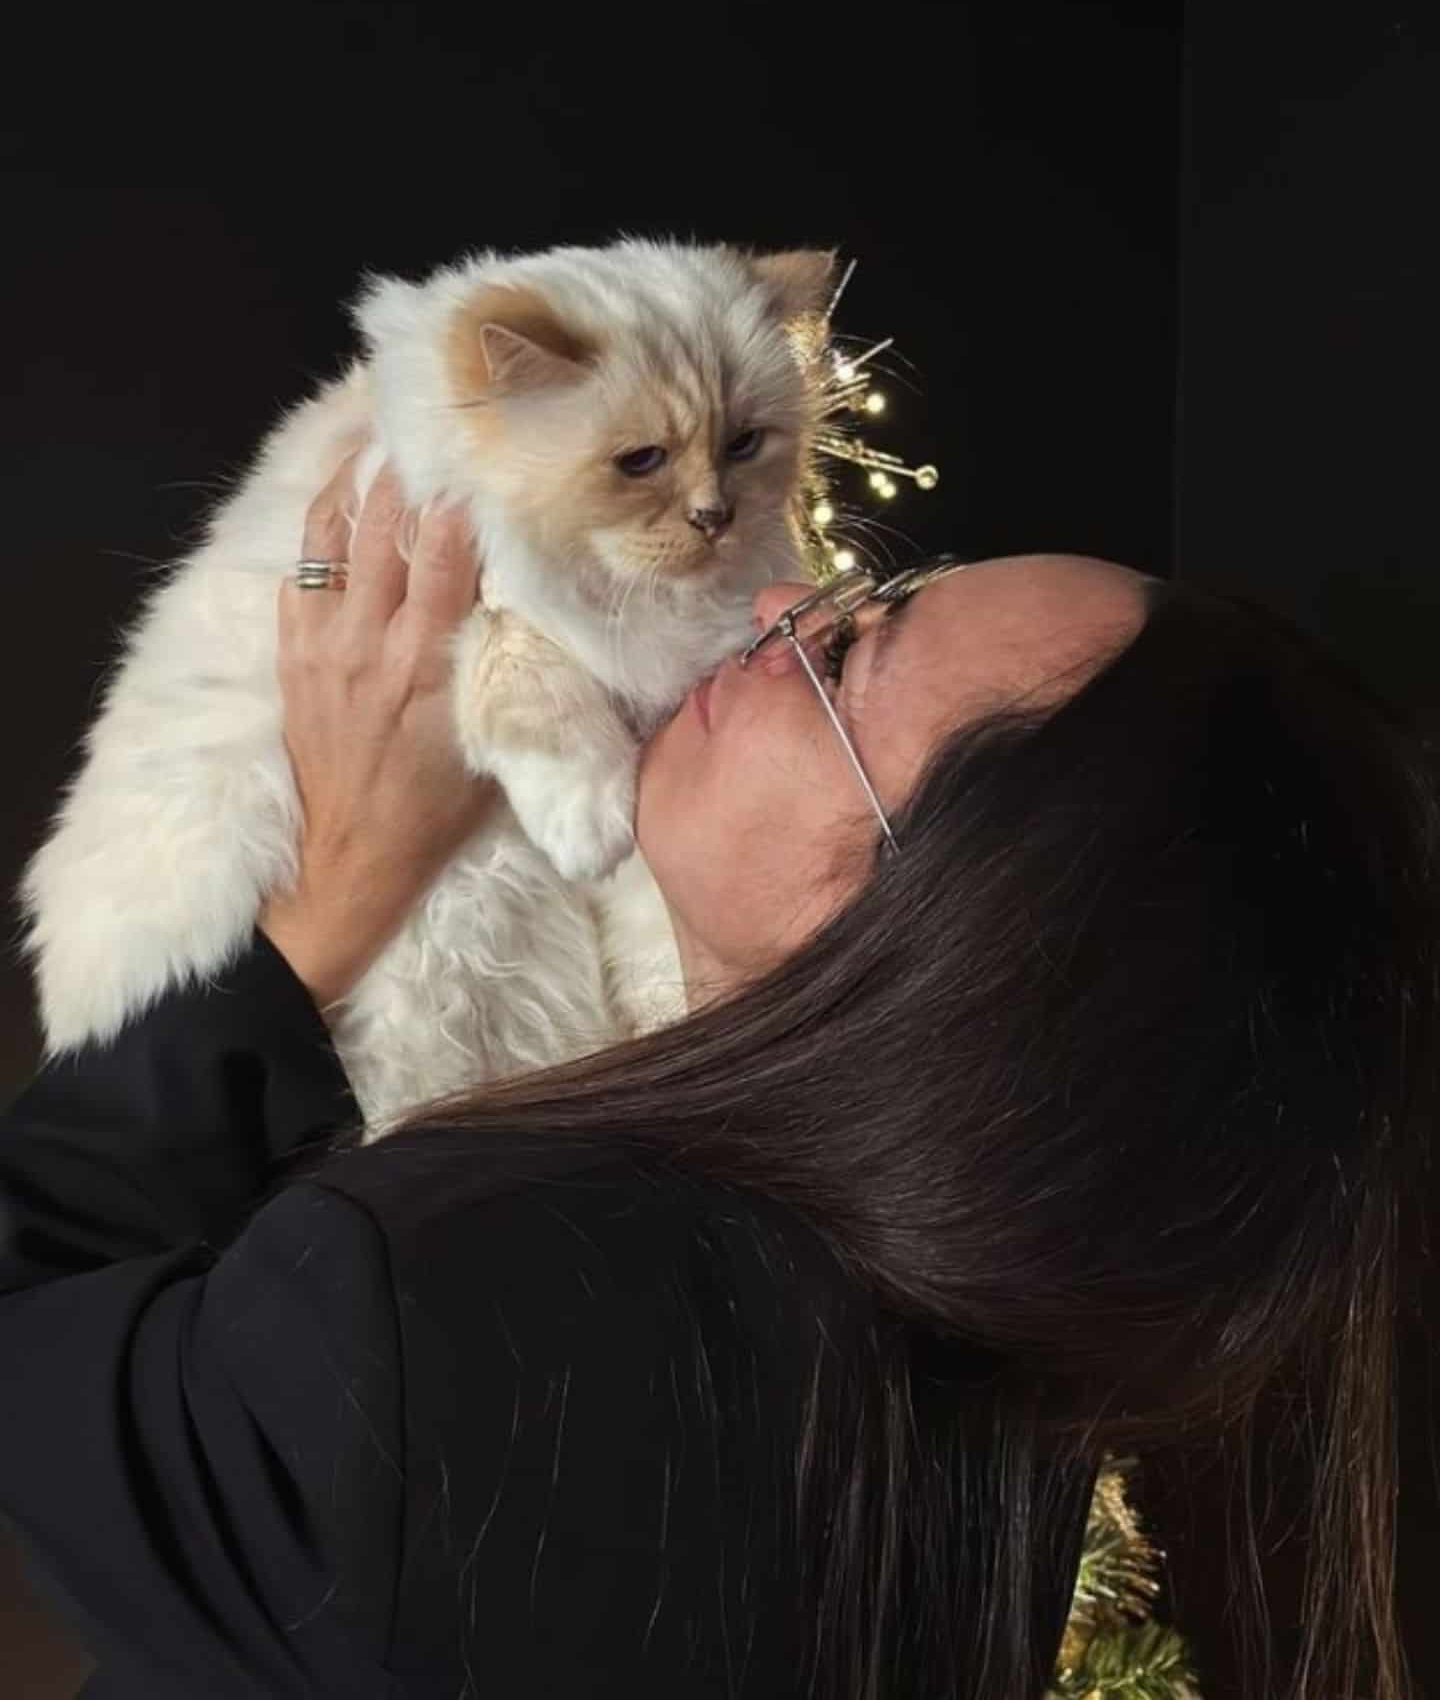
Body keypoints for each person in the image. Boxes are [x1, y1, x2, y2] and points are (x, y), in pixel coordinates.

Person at [1, 450, 1434, 1700]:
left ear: (959, 943)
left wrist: (333, 896)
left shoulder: (474, 1293)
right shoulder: (980, 1411)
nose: (768, 612)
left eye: (842, 655)